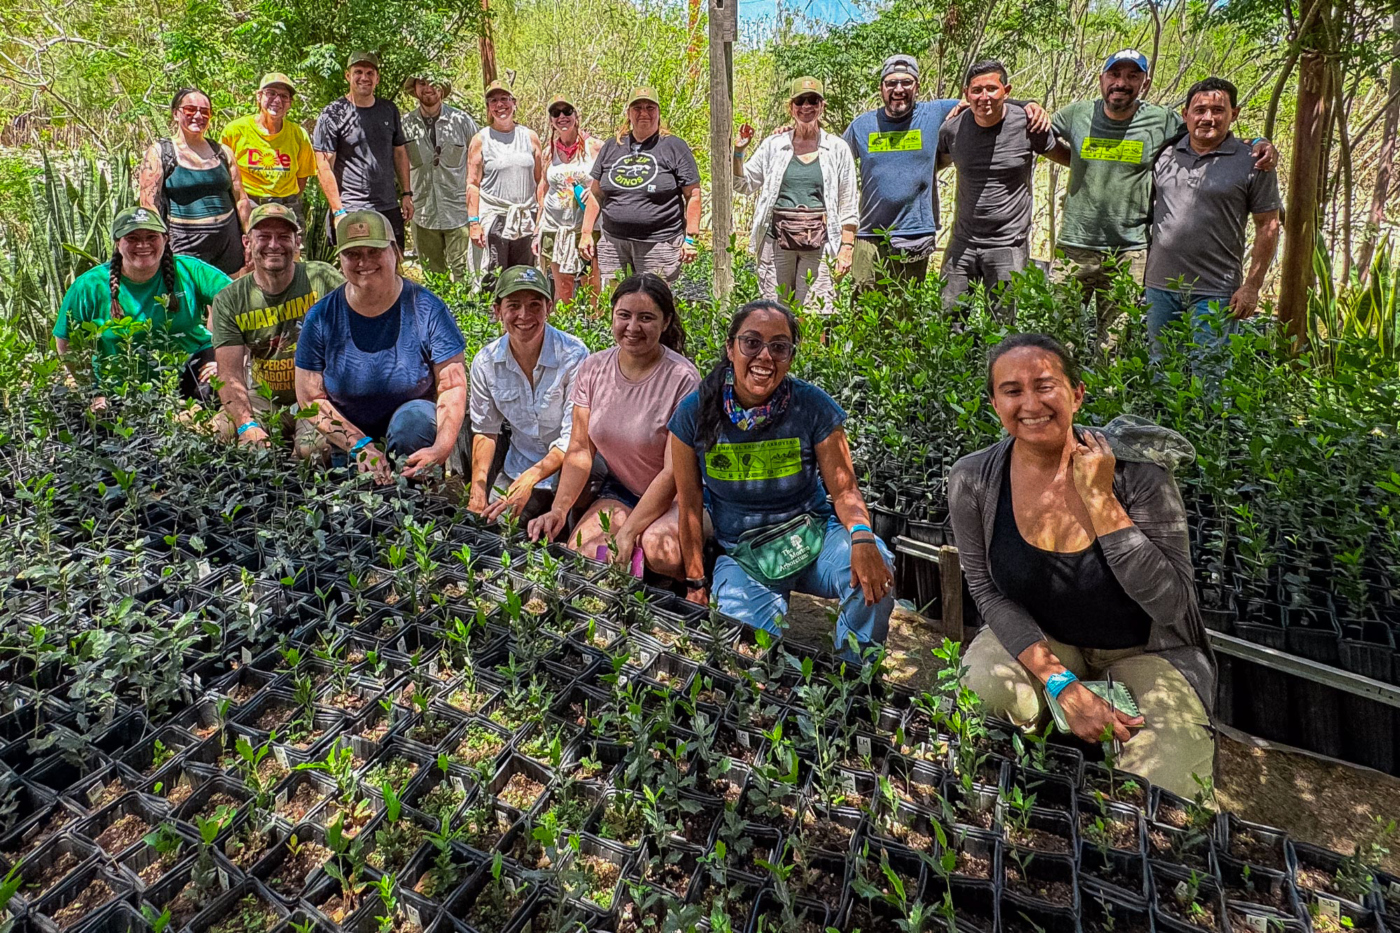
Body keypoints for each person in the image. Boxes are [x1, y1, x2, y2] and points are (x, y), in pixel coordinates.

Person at [948, 333, 1214, 796]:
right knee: (982, 687)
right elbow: (988, 592)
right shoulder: (973, 479)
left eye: (1045, 385)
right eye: (1012, 390)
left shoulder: (1139, 473)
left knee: (1172, 790)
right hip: (1046, 642)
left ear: (1077, 392)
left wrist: (1101, 500)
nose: (1030, 403)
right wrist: (1063, 684)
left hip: (1145, 653)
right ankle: (1057, 728)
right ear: (994, 403)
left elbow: (1173, 604)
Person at [670, 300, 896, 662]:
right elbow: (690, 507)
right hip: (745, 555)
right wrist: (696, 581)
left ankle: (856, 675)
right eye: (751, 343)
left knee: (876, 568)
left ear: (790, 356)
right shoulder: (693, 413)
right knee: (746, 662)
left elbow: (844, 488)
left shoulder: (811, 406)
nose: (765, 357)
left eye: (779, 346)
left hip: (814, 539)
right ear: (730, 348)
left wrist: (863, 537)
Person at [1046, 50, 1275, 338]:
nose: (1122, 82)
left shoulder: (1162, 121)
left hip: (1130, 253)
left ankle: (1107, 387)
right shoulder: (1075, 114)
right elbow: (1037, 134)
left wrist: (1258, 140)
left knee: (1115, 347)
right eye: (1114, 74)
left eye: (1133, 76)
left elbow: (1209, 129)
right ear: (1101, 78)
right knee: (1054, 336)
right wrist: (1072, 156)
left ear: (1146, 81)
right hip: (1074, 246)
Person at [527, 273, 698, 579]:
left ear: (666, 321)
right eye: (624, 315)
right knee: (581, 553)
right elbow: (580, 450)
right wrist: (559, 509)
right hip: (624, 489)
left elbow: (674, 473)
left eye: (646, 318)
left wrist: (629, 531)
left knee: (659, 549)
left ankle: (685, 571)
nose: (633, 327)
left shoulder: (682, 379)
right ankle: (634, 570)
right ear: (612, 316)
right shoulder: (594, 368)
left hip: (677, 496)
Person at [842, 56, 1047, 294]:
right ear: (881, 88)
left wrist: (1029, 104)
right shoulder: (862, 125)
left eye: (906, 83)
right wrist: (789, 134)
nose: (899, 89)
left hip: (914, 233)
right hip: (869, 233)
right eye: (891, 83)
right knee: (863, 305)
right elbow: (832, 156)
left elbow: (984, 99)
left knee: (907, 310)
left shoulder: (935, 112)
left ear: (917, 86)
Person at [294, 210, 466, 484]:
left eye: (374, 251)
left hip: (408, 423)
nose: (364, 262)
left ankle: (414, 491)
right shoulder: (322, 316)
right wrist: (360, 445)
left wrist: (441, 447)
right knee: (311, 447)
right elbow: (310, 398)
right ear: (340, 259)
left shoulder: (427, 308)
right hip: (345, 425)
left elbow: (452, 385)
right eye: (353, 254)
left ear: (395, 252)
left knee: (414, 424)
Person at [1144, 77, 1282, 353]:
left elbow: (1268, 225)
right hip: (1160, 288)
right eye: (1200, 110)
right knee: (1159, 374)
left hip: (1216, 292)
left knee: (1211, 381)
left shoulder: (1253, 162)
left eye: (1218, 110)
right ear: (1186, 115)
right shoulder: (1164, 154)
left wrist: (1252, 287)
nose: (1208, 118)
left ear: (1234, 114)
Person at [54, 207, 229, 409]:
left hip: (189, 368)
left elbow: (238, 300)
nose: (143, 244)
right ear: (118, 243)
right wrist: (92, 390)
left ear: (165, 239)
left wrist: (223, 359)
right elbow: (65, 340)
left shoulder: (189, 269)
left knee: (216, 390)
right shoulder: (89, 286)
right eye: (133, 238)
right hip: (121, 385)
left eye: (151, 237)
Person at [209, 203, 343, 458]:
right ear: (247, 243)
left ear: (297, 242)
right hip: (264, 398)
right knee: (220, 430)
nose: (274, 245)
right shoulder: (230, 298)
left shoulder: (322, 278)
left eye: (283, 237)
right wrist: (247, 425)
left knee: (312, 451)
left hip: (319, 396)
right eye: (264, 237)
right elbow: (229, 374)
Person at [468, 265, 590, 522]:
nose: (524, 315)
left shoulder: (574, 355)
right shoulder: (486, 362)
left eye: (535, 305)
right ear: (498, 311)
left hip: (570, 469)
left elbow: (574, 437)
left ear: (549, 308)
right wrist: (477, 491)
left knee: (573, 535)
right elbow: (485, 430)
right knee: (499, 523)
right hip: (519, 465)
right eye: (513, 306)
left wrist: (531, 478)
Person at [936, 61, 1056, 319]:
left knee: (1002, 325)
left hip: (1007, 244)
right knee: (947, 322)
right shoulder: (952, 129)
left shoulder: (1028, 123)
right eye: (977, 90)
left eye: (992, 88)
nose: (984, 97)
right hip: (963, 242)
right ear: (966, 93)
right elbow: (936, 163)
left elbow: (1060, 154)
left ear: (1007, 90)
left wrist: (1031, 104)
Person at [733, 77, 858, 312]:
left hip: (820, 244)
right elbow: (743, 184)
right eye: (800, 101)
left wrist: (846, 248)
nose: (806, 107)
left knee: (814, 315)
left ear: (822, 106)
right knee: (774, 313)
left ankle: (812, 351)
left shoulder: (838, 149)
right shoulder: (774, 145)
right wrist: (739, 152)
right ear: (791, 108)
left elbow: (848, 204)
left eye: (813, 100)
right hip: (775, 241)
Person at [582, 88, 701, 285]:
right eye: (637, 108)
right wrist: (586, 233)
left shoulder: (674, 146)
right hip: (614, 242)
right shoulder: (613, 146)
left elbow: (693, 195)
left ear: (659, 112)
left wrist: (690, 239)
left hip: (659, 244)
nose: (643, 113)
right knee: (619, 303)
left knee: (655, 304)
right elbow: (596, 194)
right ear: (628, 113)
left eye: (650, 107)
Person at [139, 87, 247, 276]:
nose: (198, 116)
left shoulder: (223, 152)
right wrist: (157, 244)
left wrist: (251, 238)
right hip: (184, 242)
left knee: (227, 298)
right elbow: (149, 204)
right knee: (188, 299)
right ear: (175, 113)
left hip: (228, 243)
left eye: (205, 112)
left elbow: (241, 199)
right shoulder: (160, 152)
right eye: (190, 110)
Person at [313, 51, 414, 249]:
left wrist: (407, 194)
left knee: (392, 267)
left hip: (388, 206)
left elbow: (399, 152)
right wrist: (338, 211)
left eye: (370, 73)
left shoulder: (388, 110)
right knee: (356, 269)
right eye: (358, 72)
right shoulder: (333, 113)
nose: (364, 77)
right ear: (348, 76)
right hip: (351, 207)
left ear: (377, 78)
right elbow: (324, 166)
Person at [402, 75, 479, 281]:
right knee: (433, 278)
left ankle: (464, 314)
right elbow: (397, 167)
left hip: (459, 212)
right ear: (415, 89)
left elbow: (480, 162)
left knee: (465, 275)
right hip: (422, 211)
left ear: (442, 89)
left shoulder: (462, 121)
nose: (428, 88)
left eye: (433, 84)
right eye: (422, 84)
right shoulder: (405, 125)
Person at [220, 73, 318, 230]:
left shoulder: (298, 135)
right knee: (248, 250)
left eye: (284, 96)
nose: (277, 100)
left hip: (287, 204)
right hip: (248, 202)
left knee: (293, 251)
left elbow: (302, 177)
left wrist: (287, 200)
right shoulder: (235, 131)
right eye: (271, 93)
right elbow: (224, 174)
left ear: (290, 103)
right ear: (259, 97)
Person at [466, 81, 544, 277]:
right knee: (493, 275)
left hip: (526, 218)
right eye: (493, 100)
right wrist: (474, 223)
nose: (500, 105)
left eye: (504, 99)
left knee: (525, 275)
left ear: (514, 103)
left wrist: (541, 219)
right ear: (488, 107)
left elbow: (540, 181)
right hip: (495, 218)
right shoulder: (481, 139)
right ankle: (490, 309)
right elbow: (473, 184)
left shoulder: (530, 137)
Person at [534, 94, 602, 304]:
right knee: (562, 285)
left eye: (567, 112)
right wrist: (538, 228)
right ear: (551, 120)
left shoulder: (595, 147)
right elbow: (543, 187)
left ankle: (593, 330)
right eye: (556, 113)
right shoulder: (548, 152)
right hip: (554, 227)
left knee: (591, 284)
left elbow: (605, 185)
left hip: (586, 227)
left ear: (576, 115)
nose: (562, 117)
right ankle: (566, 331)